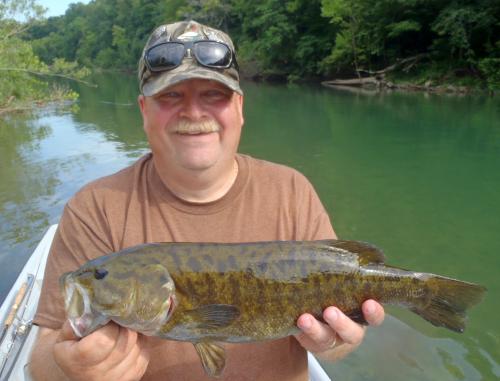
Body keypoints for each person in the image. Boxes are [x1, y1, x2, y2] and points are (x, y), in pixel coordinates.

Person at [29, 20, 384, 381]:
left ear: (240, 107)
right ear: (143, 110)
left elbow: (341, 331)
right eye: (171, 95)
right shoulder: (95, 209)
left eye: (214, 94)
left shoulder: (292, 191)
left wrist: (336, 342)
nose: (194, 113)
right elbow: (41, 357)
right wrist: (68, 370)